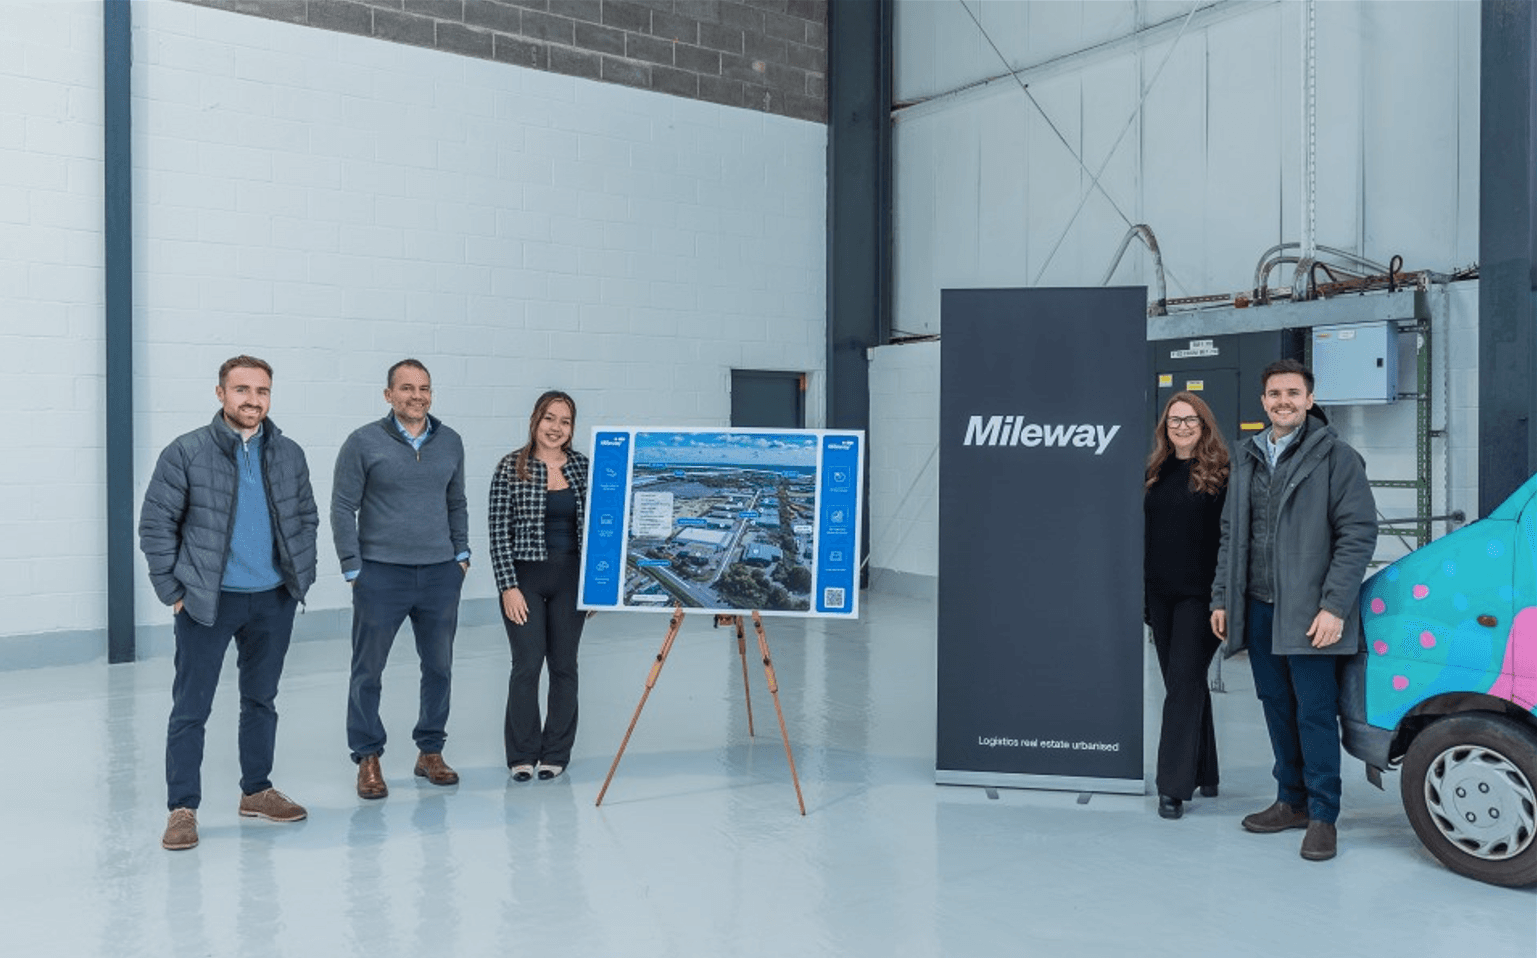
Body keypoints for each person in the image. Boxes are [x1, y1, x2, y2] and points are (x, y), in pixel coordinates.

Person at [139, 355, 319, 851]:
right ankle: (183, 809)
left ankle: (256, 791)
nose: (252, 400)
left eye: (261, 391)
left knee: (260, 700)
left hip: (272, 600)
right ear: (220, 393)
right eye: (242, 390)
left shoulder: (288, 453)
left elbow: (306, 516)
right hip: (207, 602)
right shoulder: (187, 453)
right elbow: (155, 526)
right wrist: (172, 591)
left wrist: (299, 577)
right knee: (191, 708)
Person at [1210, 359, 1377, 861]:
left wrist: (1333, 607)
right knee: (1277, 708)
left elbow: (1357, 535)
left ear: (1309, 399)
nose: (1283, 401)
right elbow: (1229, 537)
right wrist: (1222, 596)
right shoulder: (1248, 457)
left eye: (1292, 393)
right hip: (1258, 608)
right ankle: (1291, 801)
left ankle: (1324, 814)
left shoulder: (1338, 458)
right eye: (1274, 394)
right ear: (1263, 402)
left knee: (1316, 714)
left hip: (1311, 613)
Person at [332, 359, 470, 800]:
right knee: (368, 669)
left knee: (439, 667)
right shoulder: (362, 442)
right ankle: (367, 756)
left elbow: (457, 501)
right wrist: (354, 567)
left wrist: (461, 556)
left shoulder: (450, 441)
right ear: (388, 394)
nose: (417, 396)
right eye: (406, 388)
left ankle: (430, 750)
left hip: (439, 574)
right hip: (380, 575)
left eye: (424, 388)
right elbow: (341, 507)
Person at [488, 390, 589, 782]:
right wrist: (507, 587)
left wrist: (595, 587)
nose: (556, 428)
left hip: (570, 580)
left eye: (564, 421)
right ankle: (522, 753)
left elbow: (599, 528)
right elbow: (498, 533)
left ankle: (556, 752)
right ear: (535, 420)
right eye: (550, 418)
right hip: (525, 580)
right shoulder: (511, 467)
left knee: (564, 666)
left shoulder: (582, 467)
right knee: (527, 666)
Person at [1144, 392, 1228, 820]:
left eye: (1190, 419)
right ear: (1165, 427)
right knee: (1186, 683)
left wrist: (1224, 599)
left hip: (1202, 600)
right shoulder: (1154, 471)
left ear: (1204, 423)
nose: (1181, 426)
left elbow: (1231, 543)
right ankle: (1205, 771)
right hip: (1160, 597)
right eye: (1174, 420)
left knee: (1181, 685)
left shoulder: (1221, 474)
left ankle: (1172, 788)